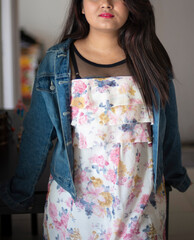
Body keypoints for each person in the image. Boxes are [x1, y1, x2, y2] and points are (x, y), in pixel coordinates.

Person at [0, 0, 191, 239]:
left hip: (140, 206)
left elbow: (168, 130)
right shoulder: (58, 61)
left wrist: (173, 175)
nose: (106, 3)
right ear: (80, 6)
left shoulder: (152, 60)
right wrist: (21, 189)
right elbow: (36, 135)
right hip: (75, 209)